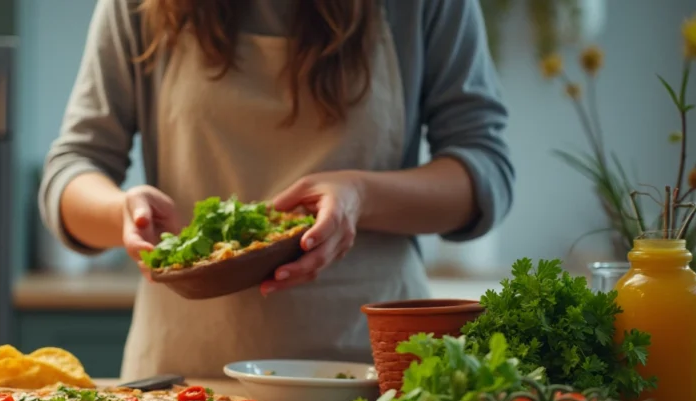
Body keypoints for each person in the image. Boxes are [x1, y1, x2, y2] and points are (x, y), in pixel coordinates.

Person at [39, 0, 512, 379]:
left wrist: (360, 198)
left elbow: (484, 171)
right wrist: (123, 211)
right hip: (185, 382)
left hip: (369, 379)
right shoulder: (138, 7)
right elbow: (71, 169)